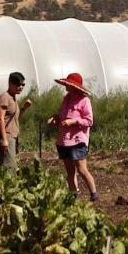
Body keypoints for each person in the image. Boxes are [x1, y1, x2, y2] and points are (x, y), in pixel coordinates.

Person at [47, 72, 98, 201]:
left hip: (77, 140)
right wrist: (56, 118)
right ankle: (73, 197)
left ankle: (93, 194)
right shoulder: (67, 98)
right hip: (64, 140)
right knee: (70, 171)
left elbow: (89, 121)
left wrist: (74, 121)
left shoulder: (84, 100)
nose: (65, 86)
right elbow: (62, 115)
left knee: (81, 169)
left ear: (75, 86)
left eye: (68, 84)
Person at [0, 72, 33, 171]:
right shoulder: (5, 97)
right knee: (9, 166)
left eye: (23, 85)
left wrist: (24, 108)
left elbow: (14, 118)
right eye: (18, 84)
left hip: (13, 136)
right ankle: (8, 186)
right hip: (7, 136)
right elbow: (1, 119)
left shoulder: (13, 98)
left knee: (14, 165)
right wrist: (4, 139)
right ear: (10, 83)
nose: (21, 87)